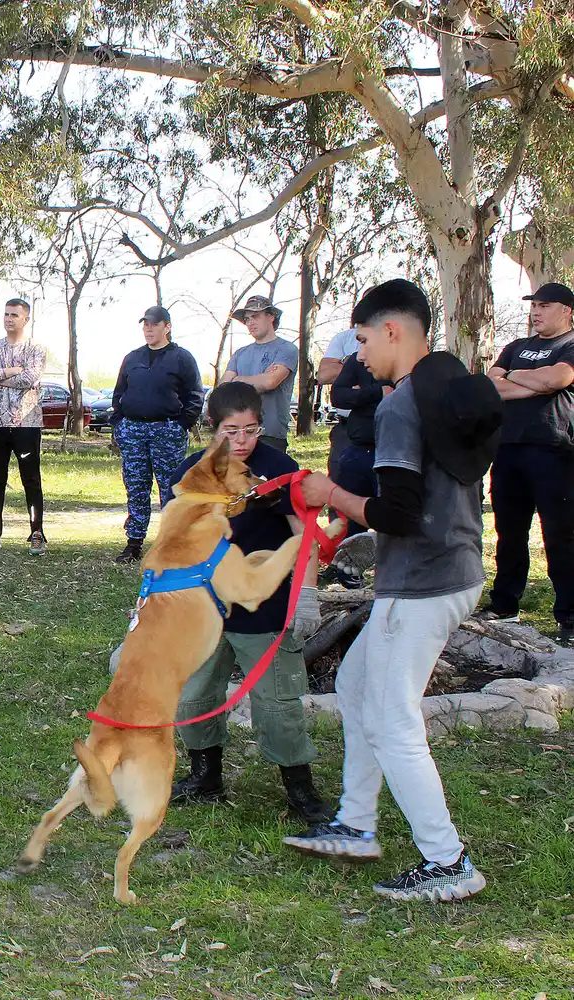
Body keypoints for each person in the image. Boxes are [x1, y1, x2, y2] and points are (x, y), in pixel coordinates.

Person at [285, 278, 500, 903]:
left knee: (391, 719)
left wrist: (333, 497)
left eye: (361, 340)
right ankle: (356, 823)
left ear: (393, 331)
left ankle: (448, 861)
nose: (357, 356)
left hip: (423, 581)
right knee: (354, 685)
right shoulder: (448, 380)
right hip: (450, 568)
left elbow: (398, 513)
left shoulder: (401, 406)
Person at [168, 381, 331, 824]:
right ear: (211, 428)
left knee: (278, 700)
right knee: (194, 694)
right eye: (230, 431)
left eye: (251, 430)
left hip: (264, 605)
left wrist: (307, 597)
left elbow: (306, 537)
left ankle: (299, 789)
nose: (242, 441)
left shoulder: (279, 468)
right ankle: (205, 777)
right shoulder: (190, 473)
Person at [478, 282, 574, 646]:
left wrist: (521, 380)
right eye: (533, 305)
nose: (535, 312)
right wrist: (535, 384)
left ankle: (569, 615)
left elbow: (557, 378)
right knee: (509, 532)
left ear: (566, 310)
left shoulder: (571, 346)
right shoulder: (516, 347)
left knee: (560, 535)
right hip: (509, 449)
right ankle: (504, 605)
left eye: (544, 305)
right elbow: (492, 383)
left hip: (555, 450)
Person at [110, 305, 204, 564]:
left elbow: (195, 394)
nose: (148, 329)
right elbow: (119, 393)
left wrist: (182, 424)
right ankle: (134, 543)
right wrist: (119, 422)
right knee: (136, 485)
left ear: (167, 327)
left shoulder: (181, 358)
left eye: (153, 324)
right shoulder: (132, 358)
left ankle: (173, 542)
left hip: (167, 430)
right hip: (134, 430)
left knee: (171, 487)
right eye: (145, 324)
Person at [0, 298, 48, 555]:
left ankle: (37, 532)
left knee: (31, 480)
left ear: (26, 319)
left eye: (14, 315)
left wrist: (0, 375)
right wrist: (13, 370)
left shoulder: (35, 348)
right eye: (6, 314)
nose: (8, 319)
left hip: (26, 425)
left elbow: (30, 378)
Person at [219, 295, 298, 452]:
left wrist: (237, 379)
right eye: (247, 319)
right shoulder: (240, 353)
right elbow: (223, 389)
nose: (250, 323)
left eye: (255, 316)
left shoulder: (286, 349)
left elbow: (269, 382)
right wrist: (258, 379)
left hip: (270, 435)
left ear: (271, 316)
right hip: (238, 435)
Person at [330, 349, 389, 552]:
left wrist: (358, 394)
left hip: (391, 452)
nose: (363, 354)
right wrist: (376, 392)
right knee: (346, 519)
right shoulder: (359, 359)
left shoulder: (407, 360)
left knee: (389, 522)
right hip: (357, 449)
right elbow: (338, 396)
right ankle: (344, 570)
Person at [318, 326, 358, 479]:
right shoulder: (345, 337)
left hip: (382, 424)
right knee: (338, 482)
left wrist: (345, 365)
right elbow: (324, 374)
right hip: (346, 427)